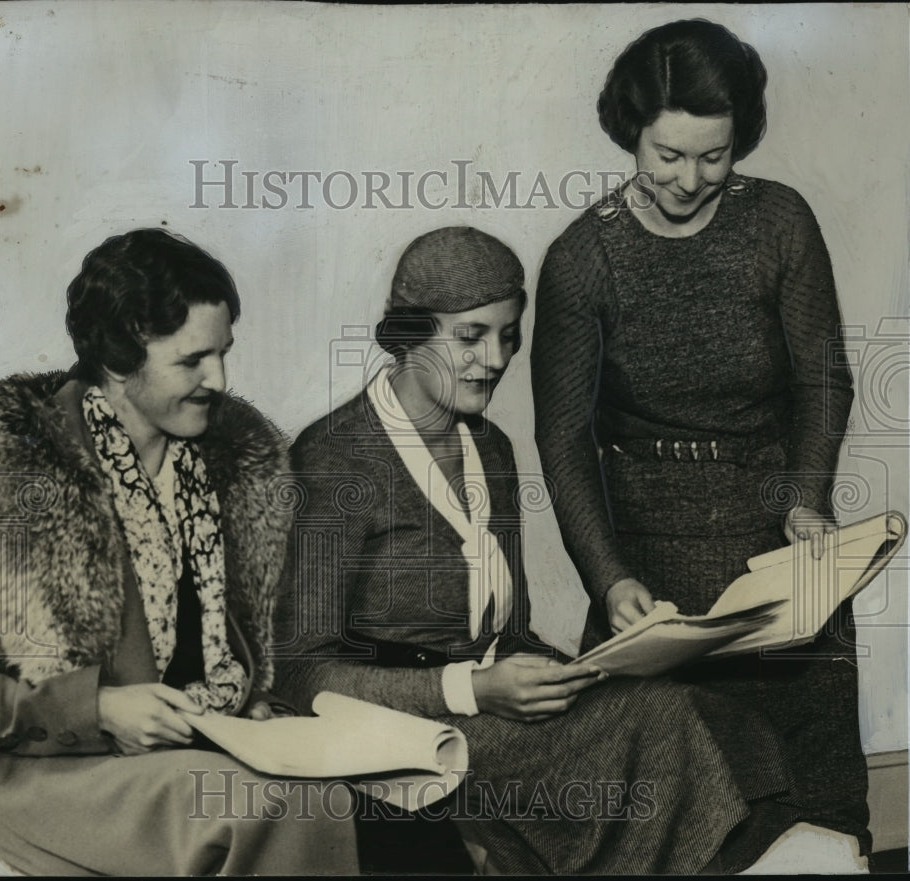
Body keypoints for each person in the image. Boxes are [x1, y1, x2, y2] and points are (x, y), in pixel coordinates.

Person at [272, 225, 810, 875]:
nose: (495, 358)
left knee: (712, 716)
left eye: (508, 333)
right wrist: (472, 686)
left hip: (492, 708)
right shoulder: (333, 458)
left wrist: (593, 667)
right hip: (405, 729)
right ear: (409, 334)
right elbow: (301, 673)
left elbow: (511, 631)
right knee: (660, 722)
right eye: (470, 336)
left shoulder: (491, 450)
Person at [0, 229, 358, 875]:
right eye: (193, 360)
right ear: (120, 357)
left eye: (224, 353)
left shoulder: (225, 470)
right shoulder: (17, 475)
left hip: (191, 754)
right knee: (279, 807)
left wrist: (251, 708)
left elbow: (223, 654)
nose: (220, 379)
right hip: (54, 773)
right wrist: (97, 708)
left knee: (342, 795)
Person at [531, 17, 868, 868]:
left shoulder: (780, 223)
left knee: (819, 808)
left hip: (782, 554)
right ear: (630, 134)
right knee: (674, 817)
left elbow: (822, 381)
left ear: (740, 139)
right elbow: (563, 438)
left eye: (713, 157)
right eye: (667, 155)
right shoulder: (582, 258)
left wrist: (806, 501)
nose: (688, 179)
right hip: (653, 569)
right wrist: (610, 580)